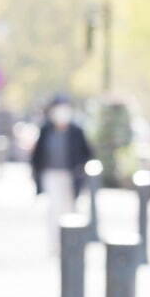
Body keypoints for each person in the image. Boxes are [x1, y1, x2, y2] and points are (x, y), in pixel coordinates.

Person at [30, 98, 94, 253]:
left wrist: (80, 171)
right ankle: (55, 245)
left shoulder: (76, 131)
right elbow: (37, 156)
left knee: (70, 208)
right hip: (50, 175)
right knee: (54, 209)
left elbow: (87, 153)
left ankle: (71, 245)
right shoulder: (46, 130)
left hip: (70, 176)